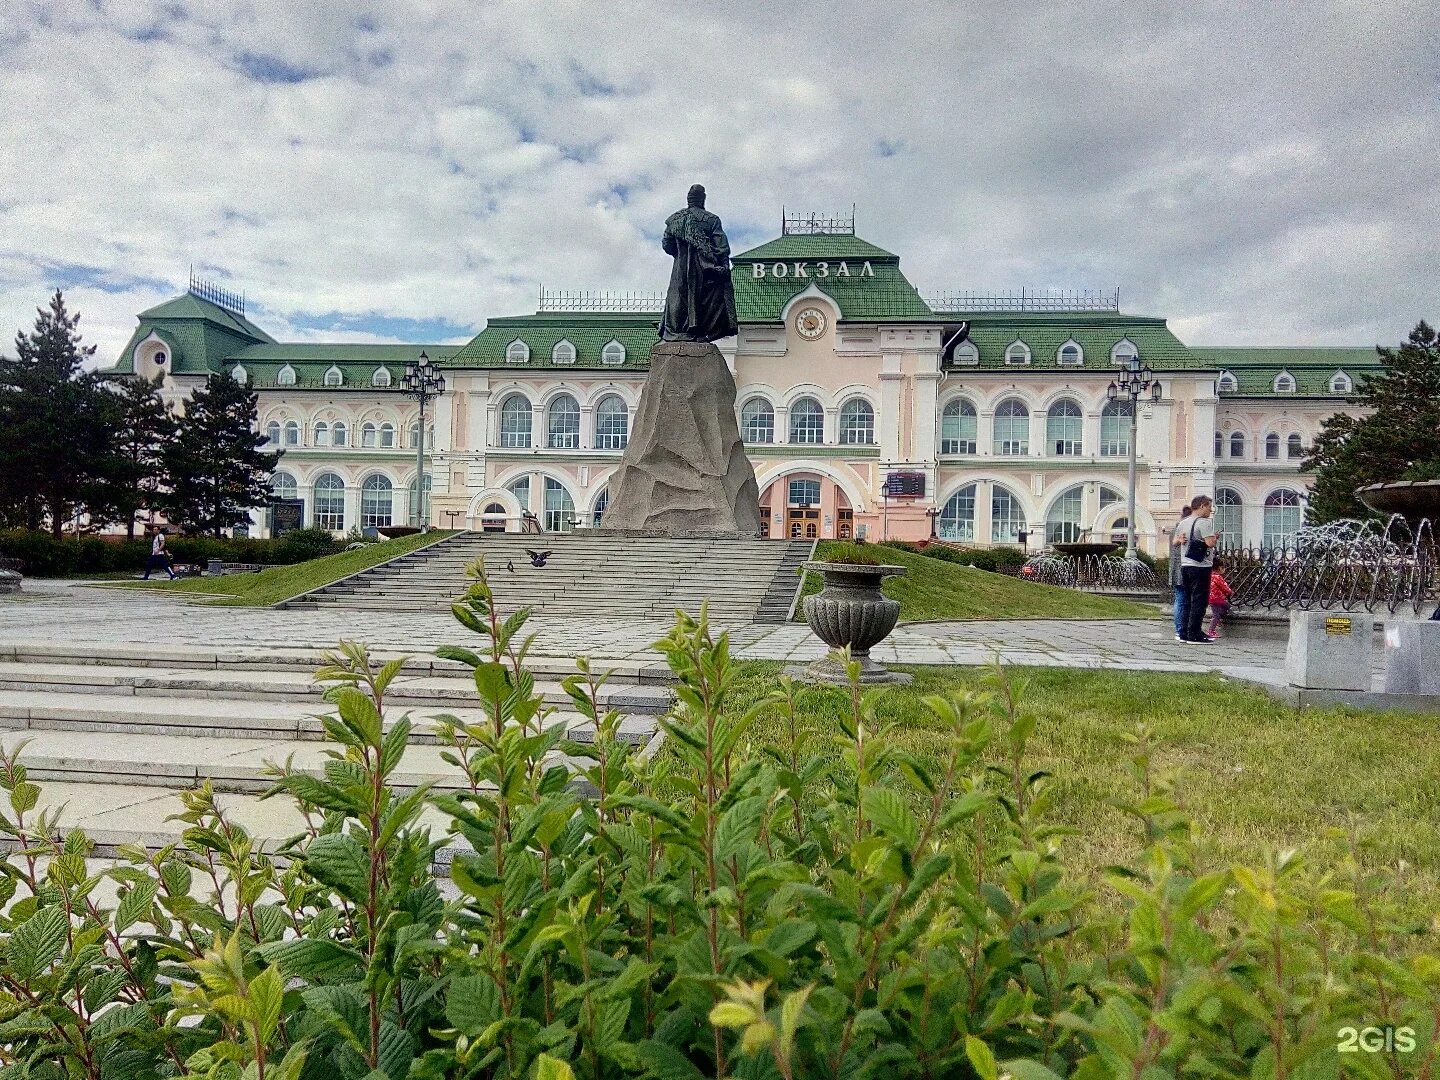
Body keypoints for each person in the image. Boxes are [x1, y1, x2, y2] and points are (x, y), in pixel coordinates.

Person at [1179, 494, 1218, 643]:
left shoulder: (1184, 522)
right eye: (1209, 506)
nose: (1210, 510)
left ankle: (1184, 632)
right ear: (1202, 506)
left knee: (1188, 600)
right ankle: (1195, 633)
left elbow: (1179, 540)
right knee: (1199, 601)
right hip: (1201, 566)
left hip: (1186, 564)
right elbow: (1209, 543)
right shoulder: (1204, 522)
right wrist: (1214, 538)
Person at [1169, 504, 1192, 642]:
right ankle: (1180, 629)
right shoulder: (1183, 528)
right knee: (1182, 600)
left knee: (1181, 599)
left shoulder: (1178, 527)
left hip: (1177, 568)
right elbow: (1176, 542)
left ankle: (1181, 629)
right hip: (1182, 568)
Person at [1206, 557, 1234, 639]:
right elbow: (1224, 587)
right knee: (1217, 614)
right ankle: (1211, 631)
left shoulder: (1210, 575)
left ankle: (1217, 620)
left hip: (1211, 597)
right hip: (1217, 598)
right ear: (1219, 568)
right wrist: (1230, 592)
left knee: (1225, 606)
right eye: (1223, 567)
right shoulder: (1217, 577)